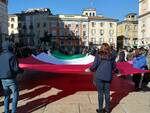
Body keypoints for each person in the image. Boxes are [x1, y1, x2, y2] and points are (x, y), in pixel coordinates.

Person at [85, 43, 119, 113]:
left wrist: (89, 69)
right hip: (108, 76)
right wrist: (118, 72)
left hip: (99, 76)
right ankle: (107, 109)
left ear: (101, 48)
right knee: (107, 93)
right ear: (108, 48)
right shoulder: (112, 56)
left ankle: (100, 109)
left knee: (100, 93)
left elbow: (95, 65)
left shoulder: (98, 54)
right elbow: (114, 67)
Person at [0, 40, 23, 113]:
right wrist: (22, 70)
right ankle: (14, 111)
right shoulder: (12, 55)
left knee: (6, 96)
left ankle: (6, 111)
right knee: (15, 94)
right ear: (9, 47)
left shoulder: (0, 56)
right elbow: (15, 68)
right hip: (11, 79)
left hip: (3, 79)